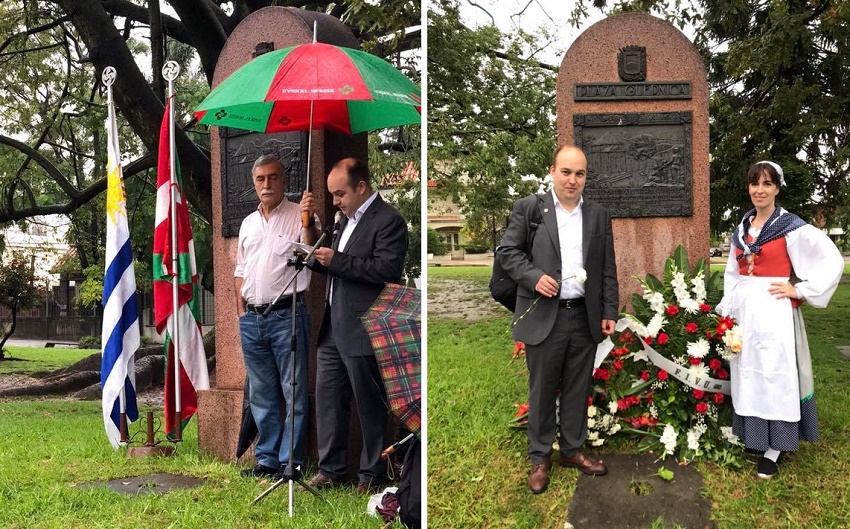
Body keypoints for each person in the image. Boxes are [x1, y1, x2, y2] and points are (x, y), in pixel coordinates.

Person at [497, 145, 618, 494]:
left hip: (583, 316)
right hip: (544, 316)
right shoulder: (530, 208)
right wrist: (533, 276)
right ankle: (539, 457)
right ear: (552, 171)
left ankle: (571, 450)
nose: (572, 180)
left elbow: (606, 268)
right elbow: (507, 252)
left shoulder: (597, 215)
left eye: (579, 173)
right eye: (566, 172)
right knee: (542, 389)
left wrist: (609, 310)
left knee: (578, 388)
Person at [717, 160, 843, 479]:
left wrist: (799, 288)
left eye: (767, 184)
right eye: (754, 183)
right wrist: (728, 308)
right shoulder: (742, 228)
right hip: (747, 311)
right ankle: (756, 438)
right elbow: (733, 273)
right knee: (749, 371)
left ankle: (777, 446)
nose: (760, 190)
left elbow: (830, 259)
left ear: (777, 188)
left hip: (774, 309)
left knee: (775, 373)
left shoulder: (791, 226)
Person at [306, 157, 409, 494]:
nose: (335, 200)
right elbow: (337, 267)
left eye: (340, 193)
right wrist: (313, 252)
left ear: (361, 187)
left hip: (364, 326)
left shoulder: (389, 220)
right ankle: (331, 469)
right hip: (332, 325)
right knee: (329, 398)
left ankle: (373, 473)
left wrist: (338, 261)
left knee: (369, 403)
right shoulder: (341, 221)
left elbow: (386, 271)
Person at [234, 154, 320, 479]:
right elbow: (239, 270)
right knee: (261, 392)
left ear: (284, 181)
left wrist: (308, 221)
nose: (267, 184)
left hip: (288, 315)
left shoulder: (300, 215)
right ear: (254, 183)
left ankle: (291, 462)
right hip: (252, 320)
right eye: (261, 179)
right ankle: (267, 459)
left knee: (292, 389)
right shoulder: (247, 223)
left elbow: (311, 256)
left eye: (273, 177)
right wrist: (241, 311)